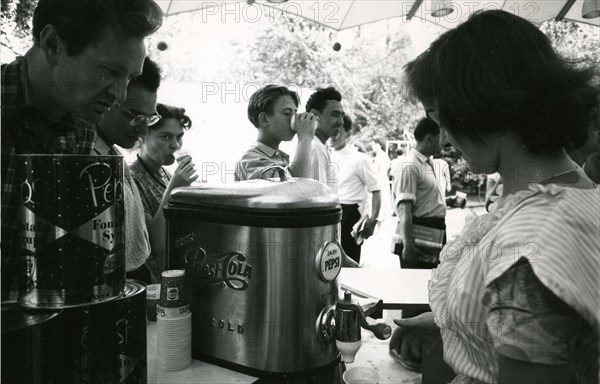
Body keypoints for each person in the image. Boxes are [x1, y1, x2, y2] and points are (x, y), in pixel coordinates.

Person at [391, 10, 599, 384]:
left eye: (442, 121)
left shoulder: (531, 241)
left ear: (478, 107)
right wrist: (451, 323)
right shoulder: (572, 196)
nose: (445, 139)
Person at [1, 0, 162, 299]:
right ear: (52, 45)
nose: (120, 94)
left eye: (128, 78)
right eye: (111, 71)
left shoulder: (83, 129)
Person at [93, 57, 161, 284]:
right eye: (133, 116)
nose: (143, 130)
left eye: (149, 118)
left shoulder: (112, 152)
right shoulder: (89, 158)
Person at [130, 104, 198, 280]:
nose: (175, 145)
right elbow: (154, 244)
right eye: (165, 136)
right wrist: (175, 188)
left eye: (179, 137)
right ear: (142, 137)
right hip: (156, 285)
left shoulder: (165, 174)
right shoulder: (131, 180)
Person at [391, 117, 446, 268]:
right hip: (419, 234)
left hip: (434, 232)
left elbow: (425, 197)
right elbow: (404, 209)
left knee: (432, 280)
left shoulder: (429, 162)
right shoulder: (409, 166)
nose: (444, 140)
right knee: (417, 283)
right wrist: (408, 245)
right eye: (441, 136)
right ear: (429, 139)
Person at [235, 85, 317, 181]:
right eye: (287, 113)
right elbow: (295, 188)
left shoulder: (280, 157)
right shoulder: (250, 160)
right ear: (264, 119)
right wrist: (305, 138)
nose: (294, 119)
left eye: (295, 113)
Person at [329, 115, 381, 264]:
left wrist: (373, 221)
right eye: (331, 129)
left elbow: (376, 190)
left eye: (338, 131)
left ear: (348, 134)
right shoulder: (326, 156)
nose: (333, 135)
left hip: (350, 215)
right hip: (331, 211)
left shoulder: (360, 159)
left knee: (349, 263)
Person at [305, 87, 345, 192]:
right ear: (314, 115)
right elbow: (317, 201)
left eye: (342, 116)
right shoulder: (316, 148)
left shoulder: (318, 146)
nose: (341, 122)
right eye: (335, 115)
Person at [370, 138, 392, 217]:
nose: (372, 146)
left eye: (373, 144)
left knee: (382, 210)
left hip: (381, 183)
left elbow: (382, 172)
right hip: (379, 182)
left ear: (379, 145)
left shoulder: (382, 156)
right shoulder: (378, 156)